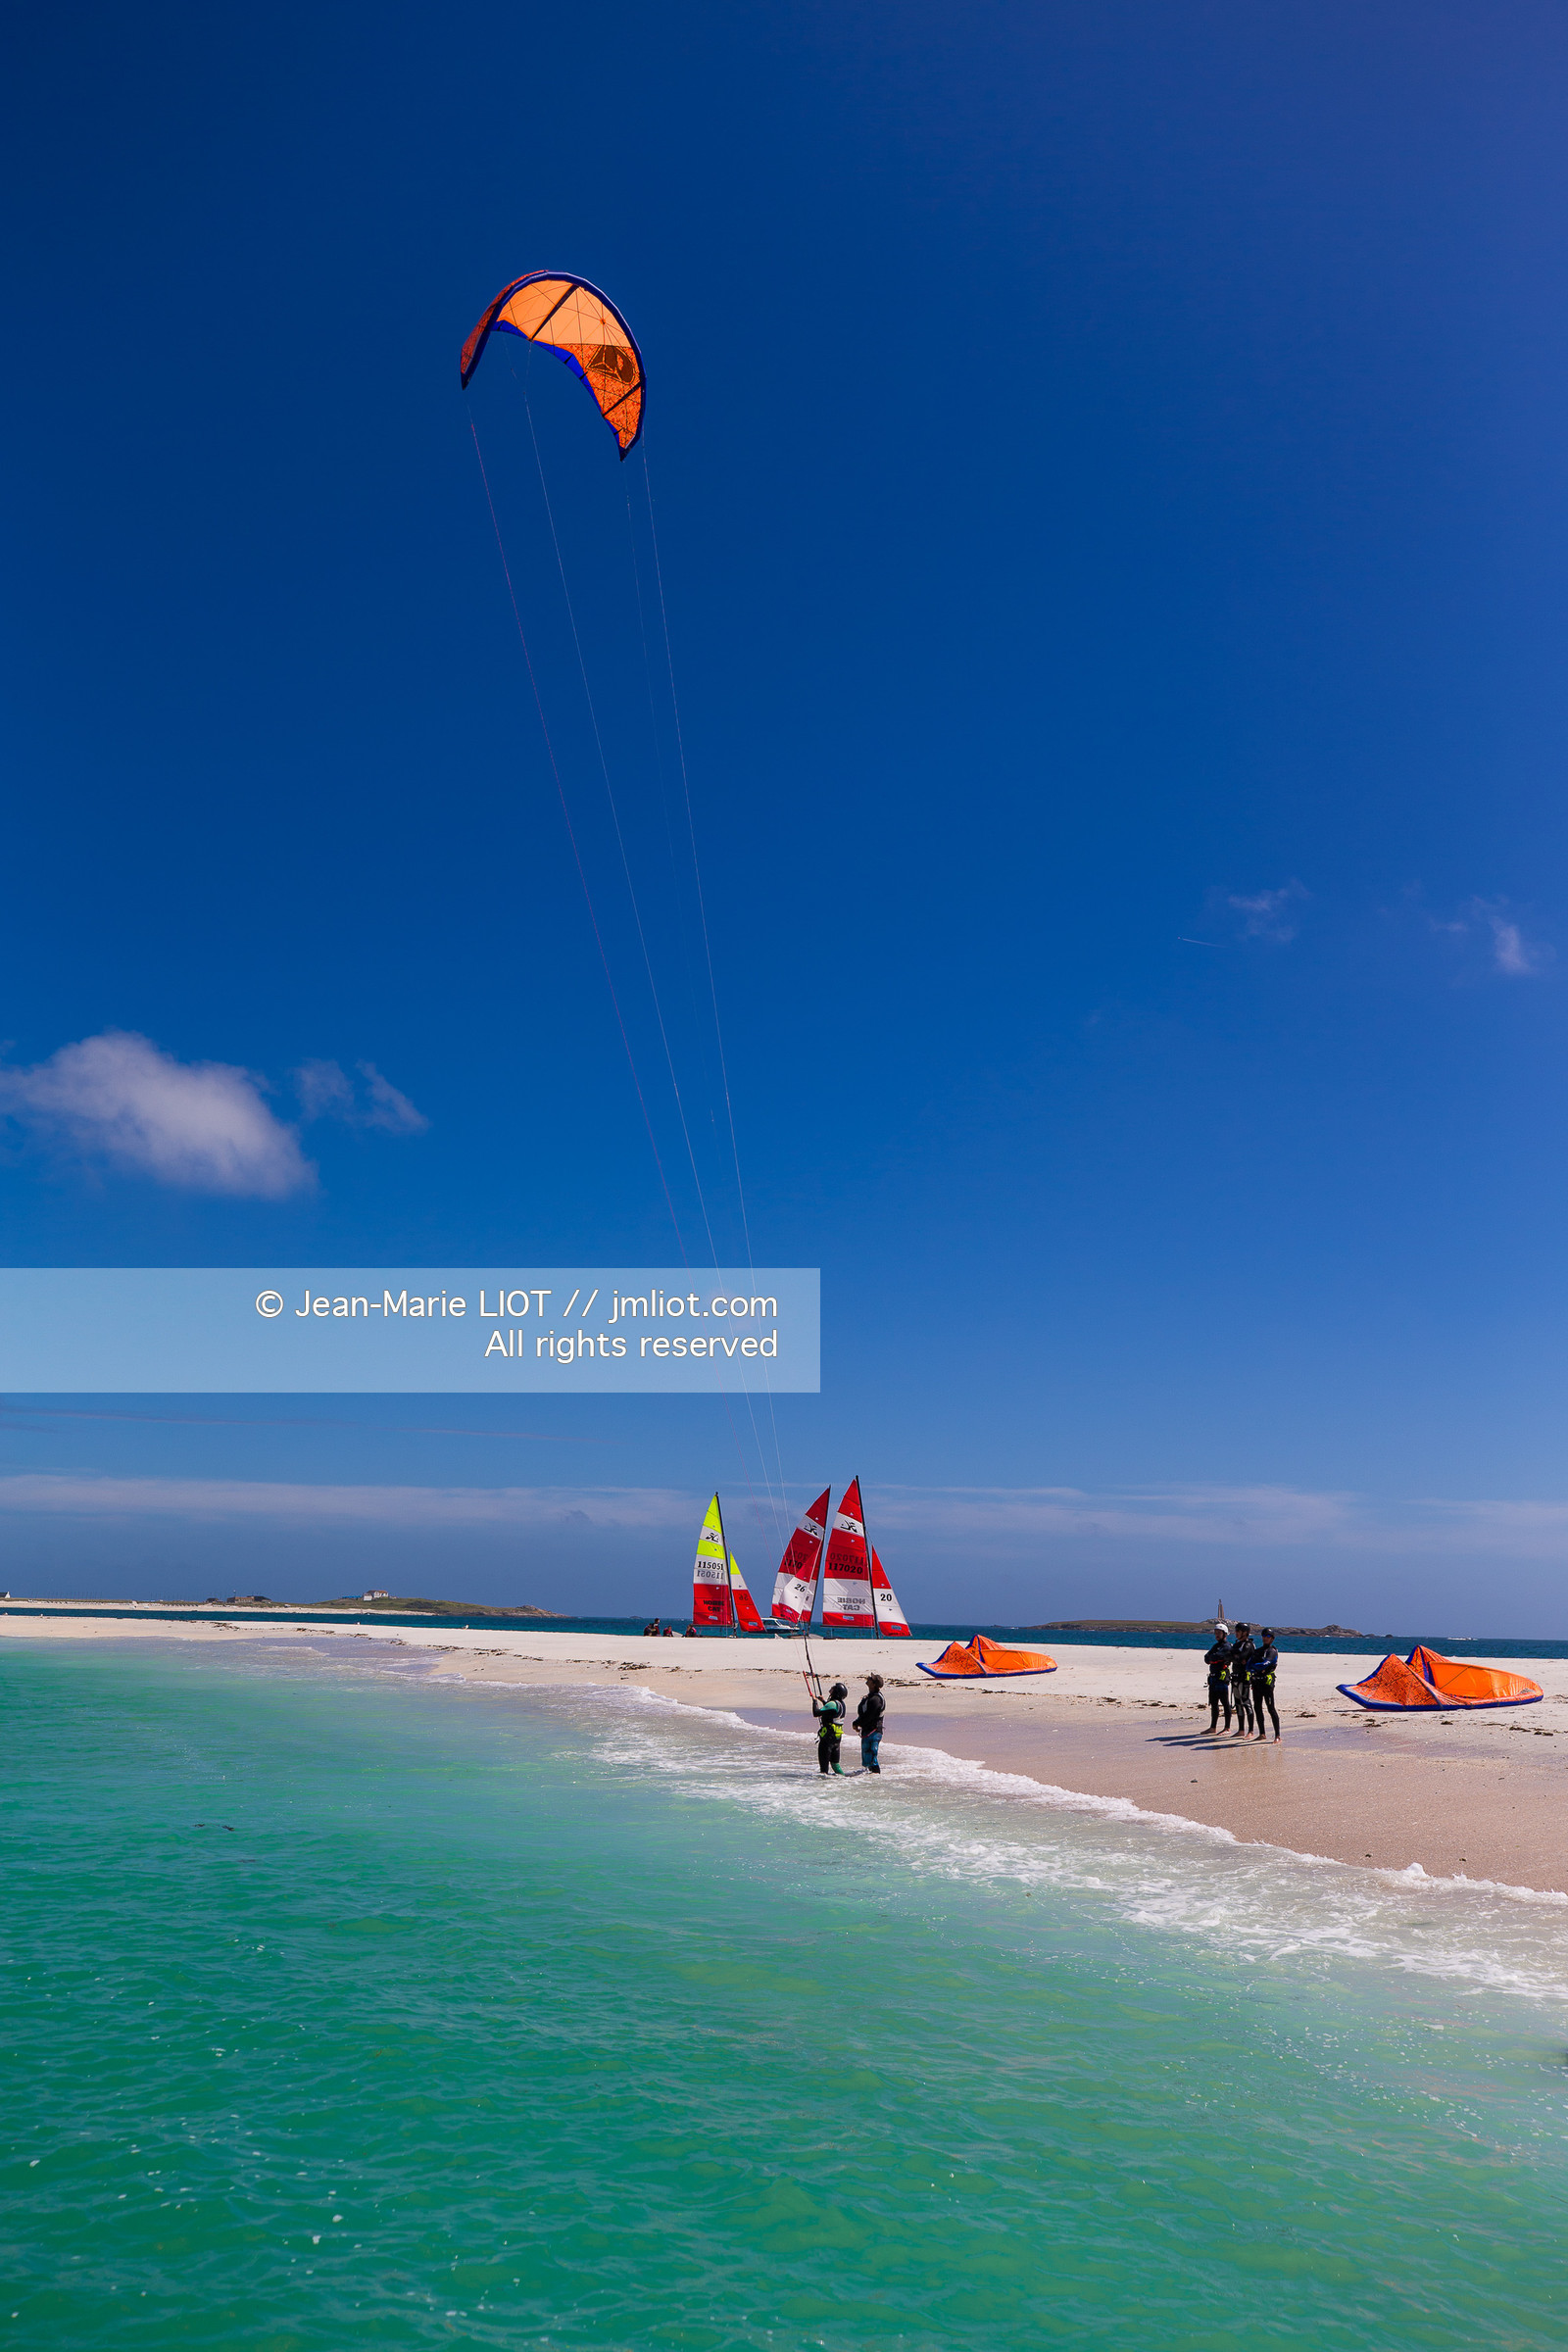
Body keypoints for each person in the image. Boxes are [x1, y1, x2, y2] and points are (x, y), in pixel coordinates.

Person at [1250, 1628, 1281, 1741]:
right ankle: (1262, 1734)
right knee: (1257, 1707)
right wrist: (1256, 1667)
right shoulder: (1258, 1651)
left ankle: (1277, 1736)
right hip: (1257, 1682)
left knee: (1270, 1708)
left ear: (1272, 1639)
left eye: (1268, 1636)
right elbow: (1249, 1665)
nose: (1265, 1638)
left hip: (1267, 1683)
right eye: (1264, 1636)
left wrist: (1257, 1667)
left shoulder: (1272, 1651)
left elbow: (1265, 1664)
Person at [812, 1681, 849, 1776]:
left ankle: (824, 1787)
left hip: (827, 1739)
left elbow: (816, 1713)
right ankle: (845, 1779)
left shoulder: (832, 1704)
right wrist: (823, 1701)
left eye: (833, 1688)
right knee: (835, 1765)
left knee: (824, 1769)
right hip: (837, 1739)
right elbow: (831, 1712)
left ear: (835, 1692)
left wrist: (814, 1701)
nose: (831, 1689)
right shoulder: (841, 1704)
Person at [1203, 1623, 1233, 1734]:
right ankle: (1213, 1727)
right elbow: (1207, 1658)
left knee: (1225, 1702)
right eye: (1215, 1633)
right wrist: (1212, 1659)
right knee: (1214, 1703)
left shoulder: (1227, 1646)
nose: (1217, 1635)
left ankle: (1227, 1727)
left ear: (1224, 1634)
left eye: (1219, 1633)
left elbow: (1218, 1657)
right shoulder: (1216, 1646)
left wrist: (1213, 1659)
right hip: (1213, 1678)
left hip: (1222, 1678)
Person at [853, 1673, 886, 1773]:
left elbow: (869, 1716)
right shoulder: (870, 1697)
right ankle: (872, 1781)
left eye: (871, 1679)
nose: (869, 1678)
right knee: (867, 1760)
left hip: (874, 1732)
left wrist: (856, 1723)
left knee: (872, 1759)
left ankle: (876, 1778)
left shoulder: (876, 1699)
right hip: (868, 1731)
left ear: (874, 1684)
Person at [1229, 1624, 1255, 1737]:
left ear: (1245, 1632)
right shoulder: (1237, 1644)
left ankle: (1251, 1731)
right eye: (1236, 1631)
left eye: (1238, 1631)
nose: (1236, 1633)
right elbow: (1229, 1656)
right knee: (1238, 1703)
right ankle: (1241, 1730)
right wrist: (1236, 1658)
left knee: (1246, 1702)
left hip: (1244, 1677)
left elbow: (1240, 1657)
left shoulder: (1248, 1645)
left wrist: (1235, 1657)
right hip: (1235, 1676)